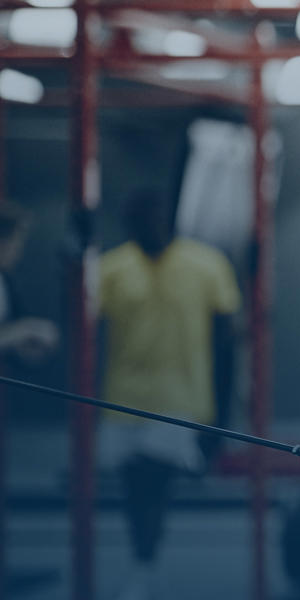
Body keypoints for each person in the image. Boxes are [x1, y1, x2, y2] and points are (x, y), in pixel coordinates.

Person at [94, 191, 241, 600]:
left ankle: (144, 563)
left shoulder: (207, 264)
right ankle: (144, 559)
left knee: (149, 483)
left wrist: (219, 419)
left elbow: (227, 340)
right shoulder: (111, 268)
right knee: (134, 488)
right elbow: (86, 327)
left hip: (179, 399)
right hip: (122, 398)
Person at [0, 204, 59, 364]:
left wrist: (27, 343)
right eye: (16, 243)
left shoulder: (6, 280)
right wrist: (22, 330)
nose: (18, 251)